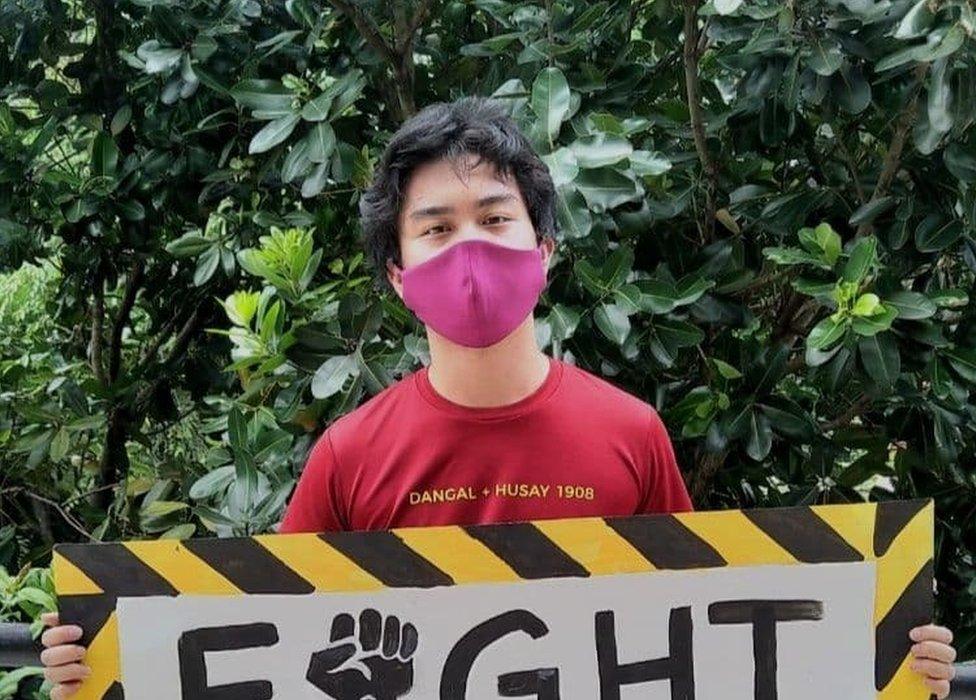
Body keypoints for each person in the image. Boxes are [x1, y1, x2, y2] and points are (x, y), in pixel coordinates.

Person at [39, 97, 958, 698]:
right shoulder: (351, 453)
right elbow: (265, 648)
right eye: (435, 228)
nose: (467, 248)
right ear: (399, 275)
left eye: (495, 220)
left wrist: (884, 661)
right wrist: (107, 661)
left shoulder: (630, 433)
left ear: (544, 252)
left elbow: (706, 642)